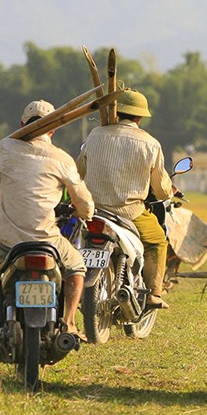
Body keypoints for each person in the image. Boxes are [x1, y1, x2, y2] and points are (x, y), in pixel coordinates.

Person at [0, 100, 95, 346]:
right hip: (48, 240)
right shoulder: (62, 158)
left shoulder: (5, 148)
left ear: (21, 125)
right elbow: (85, 202)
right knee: (77, 268)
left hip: (8, 241)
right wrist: (84, 213)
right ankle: (69, 322)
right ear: (53, 130)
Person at [77, 89, 174, 309]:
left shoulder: (95, 134)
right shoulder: (150, 144)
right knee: (158, 241)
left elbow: (79, 171)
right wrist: (169, 192)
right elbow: (161, 191)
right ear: (139, 117)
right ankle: (154, 294)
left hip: (94, 210)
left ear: (116, 113)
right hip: (129, 213)